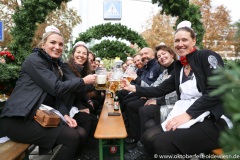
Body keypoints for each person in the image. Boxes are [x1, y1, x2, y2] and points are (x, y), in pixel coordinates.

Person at [121, 21, 232, 159]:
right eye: (177, 41)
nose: (180, 44)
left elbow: (217, 90)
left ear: (194, 40)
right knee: (148, 137)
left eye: (184, 39)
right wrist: (131, 87)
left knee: (162, 143)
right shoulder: (180, 67)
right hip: (187, 112)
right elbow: (159, 90)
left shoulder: (206, 56)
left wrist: (188, 114)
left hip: (213, 118)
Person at [0, 26, 97, 160]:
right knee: (72, 137)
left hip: (36, 116)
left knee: (79, 132)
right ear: (43, 44)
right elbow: (56, 88)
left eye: (61, 44)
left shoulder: (54, 65)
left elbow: (57, 97)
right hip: (18, 119)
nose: (57, 47)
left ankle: (36, 157)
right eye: (53, 42)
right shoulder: (34, 60)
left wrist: (65, 115)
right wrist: (83, 81)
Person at [124, 45, 177, 147]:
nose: (161, 57)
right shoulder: (165, 71)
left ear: (172, 54)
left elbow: (176, 93)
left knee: (143, 110)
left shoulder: (178, 69)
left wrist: (157, 101)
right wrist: (134, 88)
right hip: (158, 99)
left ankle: (141, 143)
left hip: (174, 104)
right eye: (159, 56)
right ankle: (138, 139)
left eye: (164, 54)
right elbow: (154, 87)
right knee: (131, 104)